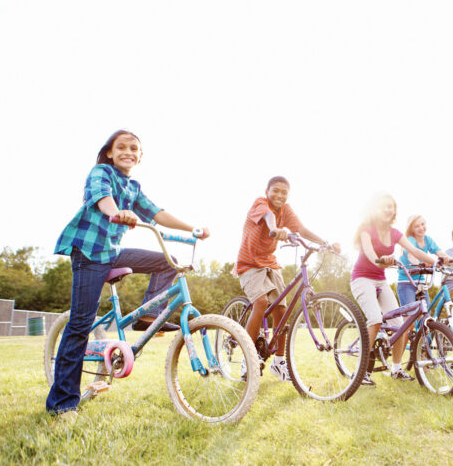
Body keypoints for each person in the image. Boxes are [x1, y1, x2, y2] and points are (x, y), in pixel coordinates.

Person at [47, 130, 210, 418]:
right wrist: (118, 212)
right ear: (110, 152)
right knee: (81, 322)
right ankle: (62, 404)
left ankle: (150, 318)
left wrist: (191, 228)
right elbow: (103, 199)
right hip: (88, 253)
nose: (128, 152)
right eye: (121, 147)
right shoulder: (101, 172)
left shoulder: (133, 187)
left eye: (134, 148)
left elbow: (157, 213)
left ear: (140, 156)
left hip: (111, 252)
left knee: (166, 261)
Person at [235, 176, 339, 382]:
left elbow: (302, 230)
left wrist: (325, 242)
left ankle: (279, 362)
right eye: (276, 190)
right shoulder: (260, 203)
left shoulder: (287, 210)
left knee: (282, 309)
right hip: (249, 263)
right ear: (267, 191)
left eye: (284, 192)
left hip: (270, 262)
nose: (280, 195)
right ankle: (248, 359)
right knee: (261, 302)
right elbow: (268, 219)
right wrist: (276, 230)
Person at [350, 194, 440, 386]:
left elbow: (416, 251)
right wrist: (380, 260)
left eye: (391, 206)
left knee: (401, 325)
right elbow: (369, 252)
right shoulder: (367, 230)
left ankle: (396, 368)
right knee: (375, 319)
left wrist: (440, 262)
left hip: (380, 281)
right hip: (362, 278)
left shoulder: (395, 233)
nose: (388, 209)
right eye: (384, 206)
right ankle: (360, 371)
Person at [396, 214, 453, 306]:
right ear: (412, 229)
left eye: (422, 224)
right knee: (410, 314)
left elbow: (441, 254)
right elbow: (412, 256)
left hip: (421, 282)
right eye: (417, 226)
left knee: (425, 315)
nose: (421, 227)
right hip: (406, 282)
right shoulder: (410, 240)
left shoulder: (428, 240)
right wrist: (422, 263)